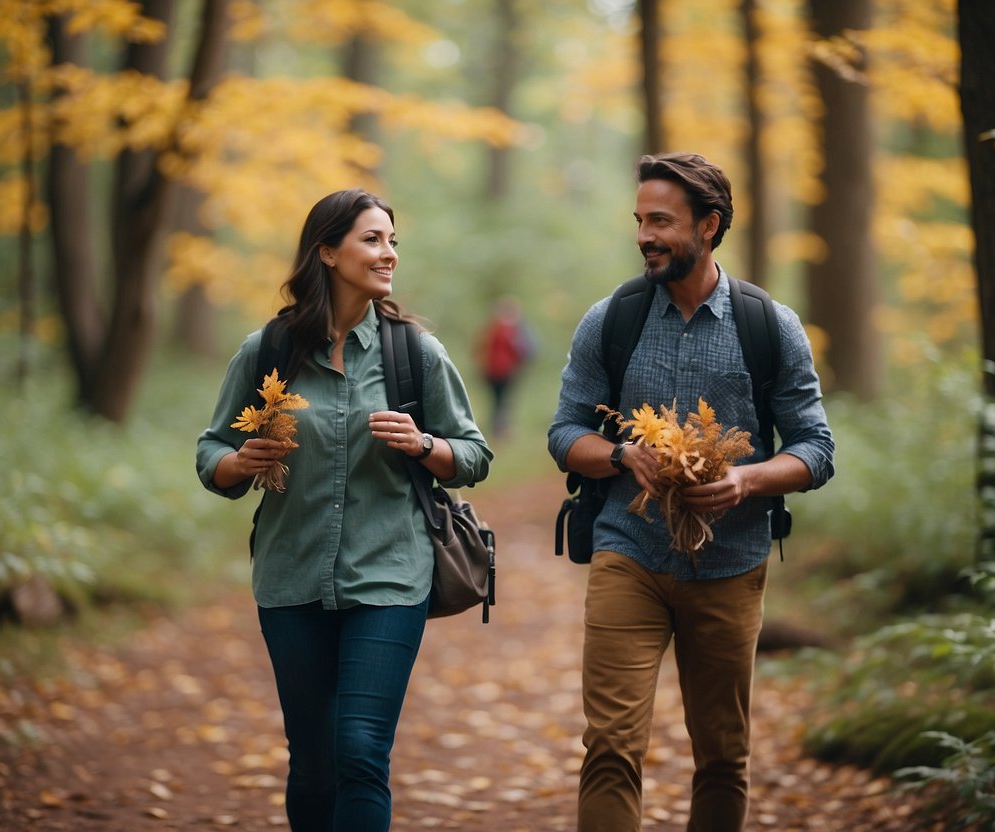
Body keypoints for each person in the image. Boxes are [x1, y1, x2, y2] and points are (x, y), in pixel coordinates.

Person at [547, 152, 835, 832]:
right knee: (611, 745)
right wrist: (621, 454)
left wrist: (747, 478)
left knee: (721, 755)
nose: (644, 235)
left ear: (708, 226)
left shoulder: (769, 326)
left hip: (731, 566)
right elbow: (564, 432)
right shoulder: (609, 320)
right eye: (640, 220)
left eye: (661, 222)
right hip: (628, 555)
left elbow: (816, 450)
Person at [196, 188, 492, 832]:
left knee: (360, 752)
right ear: (326, 252)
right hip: (290, 573)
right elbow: (211, 448)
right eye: (372, 240)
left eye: (392, 242)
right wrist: (236, 464)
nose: (388, 255)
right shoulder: (269, 350)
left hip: (390, 574)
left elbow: (473, 453)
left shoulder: (415, 353)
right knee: (313, 763)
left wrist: (425, 445)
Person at [475, 296, 535, 439]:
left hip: (491, 370)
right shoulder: (509, 330)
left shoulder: (491, 328)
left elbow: (481, 348)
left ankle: (498, 429)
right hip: (503, 371)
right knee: (502, 401)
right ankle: (500, 430)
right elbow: (518, 350)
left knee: (497, 400)